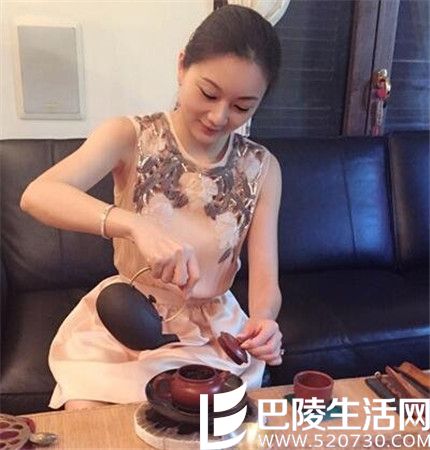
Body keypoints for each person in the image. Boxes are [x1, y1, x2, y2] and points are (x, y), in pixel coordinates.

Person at [20, 4, 283, 411]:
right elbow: (38, 194)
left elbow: (265, 279)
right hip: (129, 318)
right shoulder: (130, 136)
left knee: (204, 424)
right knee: (93, 420)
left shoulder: (262, 168)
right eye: (208, 93)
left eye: (242, 106)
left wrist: (264, 321)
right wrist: (134, 225)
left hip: (212, 334)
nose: (218, 116)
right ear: (182, 66)